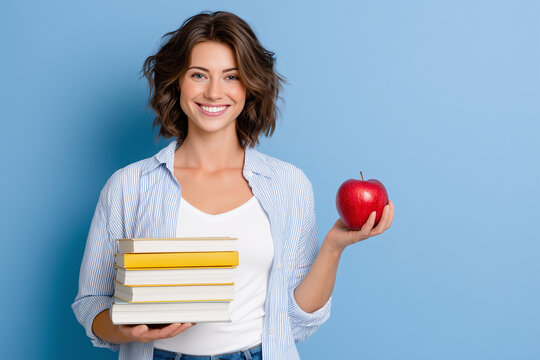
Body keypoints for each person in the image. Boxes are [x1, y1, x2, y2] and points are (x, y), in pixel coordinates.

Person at [72, 10, 394, 360]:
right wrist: (123, 328)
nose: (214, 92)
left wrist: (333, 247)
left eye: (231, 76)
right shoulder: (128, 186)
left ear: (249, 86)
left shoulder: (288, 184)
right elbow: (92, 303)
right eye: (199, 75)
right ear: (177, 81)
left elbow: (296, 319)